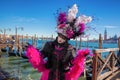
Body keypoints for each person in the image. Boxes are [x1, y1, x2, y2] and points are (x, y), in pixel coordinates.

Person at [26, 4, 92, 80]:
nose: (60, 39)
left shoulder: (70, 49)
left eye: (63, 38)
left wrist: (81, 57)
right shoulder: (49, 45)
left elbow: (73, 62)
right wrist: (31, 51)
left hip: (64, 76)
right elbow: (41, 56)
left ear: (67, 39)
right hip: (48, 75)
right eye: (60, 36)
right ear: (58, 34)